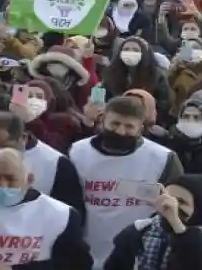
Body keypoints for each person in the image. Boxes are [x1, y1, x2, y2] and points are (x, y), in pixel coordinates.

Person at [69, 96, 183, 268]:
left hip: (140, 252)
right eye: (115, 124)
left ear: (140, 128)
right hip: (89, 249)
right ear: (103, 120)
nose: (121, 131)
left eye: (129, 126)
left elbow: (177, 203)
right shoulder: (78, 151)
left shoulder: (163, 158)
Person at [0, 148, 92, 269]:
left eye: (10, 179)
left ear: (30, 179)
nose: (2, 185)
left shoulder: (61, 216)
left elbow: (75, 263)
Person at [105, 174, 202, 270]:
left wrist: (177, 225)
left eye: (181, 202)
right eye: (168, 197)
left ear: (198, 208)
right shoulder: (141, 229)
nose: (171, 205)